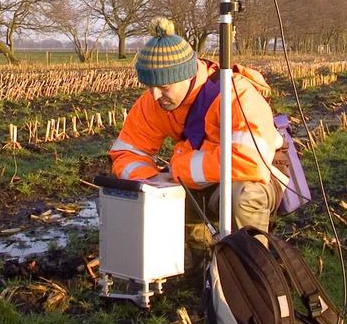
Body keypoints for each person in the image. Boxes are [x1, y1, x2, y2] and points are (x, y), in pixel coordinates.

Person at [109, 17, 287, 240]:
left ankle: (252, 266)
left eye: (163, 87)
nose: (154, 96)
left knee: (243, 197)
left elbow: (251, 163)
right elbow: (128, 152)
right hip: (203, 174)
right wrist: (151, 182)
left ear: (188, 76)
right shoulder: (154, 101)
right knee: (167, 199)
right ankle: (199, 265)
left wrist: (178, 171)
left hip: (259, 175)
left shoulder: (236, 95)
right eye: (149, 86)